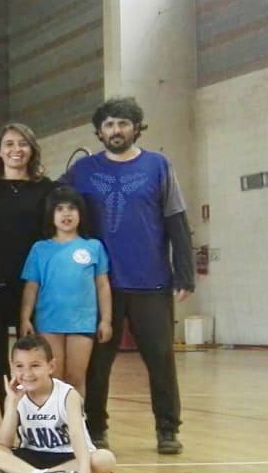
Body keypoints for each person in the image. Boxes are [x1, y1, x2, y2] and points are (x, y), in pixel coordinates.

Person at [63, 97, 194, 454]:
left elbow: (176, 221)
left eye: (122, 123)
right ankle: (96, 428)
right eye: (108, 125)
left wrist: (185, 272)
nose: (115, 130)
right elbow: (49, 198)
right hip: (98, 284)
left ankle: (168, 430)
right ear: (99, 131)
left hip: (150, 281)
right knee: (97, 366)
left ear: (136, 128)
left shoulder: (159, 165)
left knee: (160, 360)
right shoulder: (83, 170)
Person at [0, 123, 56, 400]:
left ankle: (37, 414)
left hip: (34, 284)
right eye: (9, 144)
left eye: (23, 143)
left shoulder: (48, 189)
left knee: (34, 353)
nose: (16, 149)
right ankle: (5, 420)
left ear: (32, 149)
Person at [0, 336, 117, 473]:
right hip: (32, 456)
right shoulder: (16, 395)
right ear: (11, 367)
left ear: (51, 366)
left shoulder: (67, 395)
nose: (27, 373)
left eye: (35, 366)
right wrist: (13, 403)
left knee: (105, 460)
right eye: (19, 366)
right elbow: (4, 442)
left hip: (70, 457)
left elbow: (78, 437)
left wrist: (84, 469)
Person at [20, 186, 112, 398]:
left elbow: (102, 285)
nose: (66, 214)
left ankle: (75, 424)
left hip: (82, 322)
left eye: (72, 208)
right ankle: (55, 427)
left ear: (81, 213)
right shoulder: (40, 249)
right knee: (55, 377)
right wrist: (25, 318)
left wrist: (106, 320)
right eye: (59, 209)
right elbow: (31, 287)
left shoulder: (93, 247)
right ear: (51, 215)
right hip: (49, 322)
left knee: (76, 378)